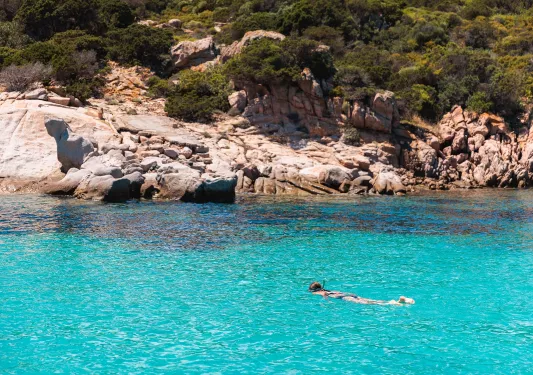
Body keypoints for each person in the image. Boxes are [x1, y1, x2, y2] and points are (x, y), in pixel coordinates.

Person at [308, 281, 415, 305]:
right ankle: (398, 301)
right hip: (350, 294)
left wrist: (326, 302)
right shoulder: (329, 289)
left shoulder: (319, 292)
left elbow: (324, 295)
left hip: (343, 298)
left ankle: (391, 303)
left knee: (367, 303)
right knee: (369, 300)